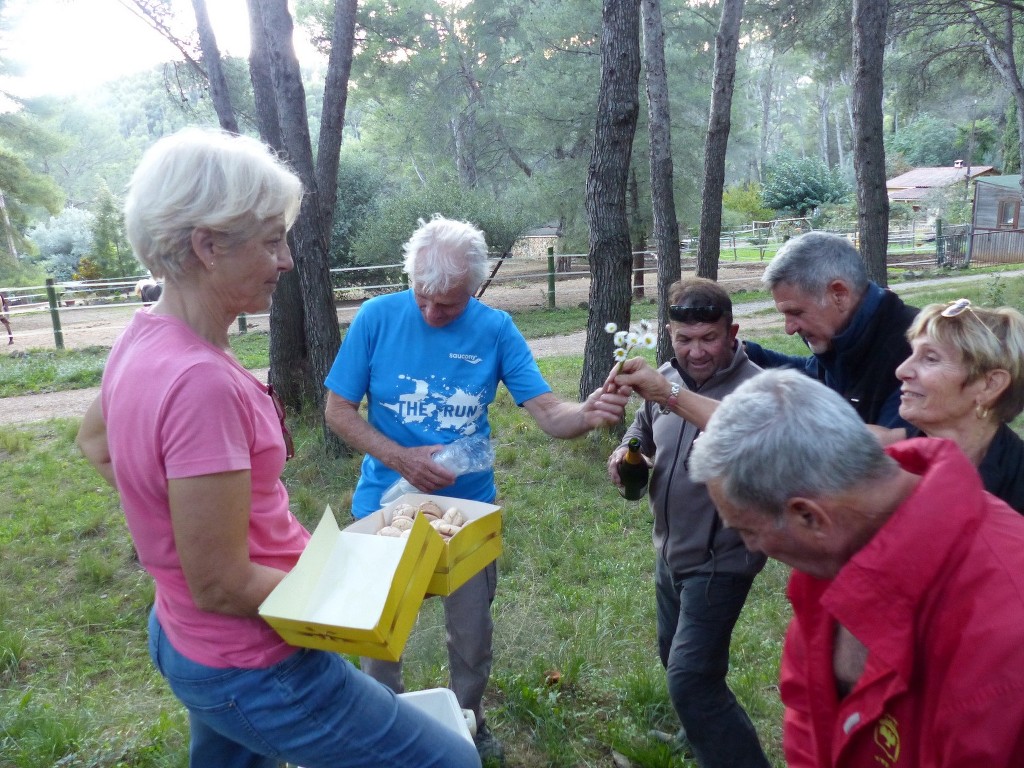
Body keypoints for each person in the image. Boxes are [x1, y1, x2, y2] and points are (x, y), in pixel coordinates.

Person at [75, 129, 481, 768]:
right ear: (208, 246)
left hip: (183, 637)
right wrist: (364, 593)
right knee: (447, 761)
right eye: (271, 241)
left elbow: (96, 443)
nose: (286, 260)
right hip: (255, 665)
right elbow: (219, 583)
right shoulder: (200, 382)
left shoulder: (145, 338)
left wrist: (177, 528)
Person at [324, 214, 629, 766]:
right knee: (378, 634)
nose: (432, 313)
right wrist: (398, 458)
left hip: (467, 515)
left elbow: (549, 412)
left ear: (476, 287)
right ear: (411, 278)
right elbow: (338, 410)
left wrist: (586, 414)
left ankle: (468, 719)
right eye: (423, 298)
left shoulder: (495, 329)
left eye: (449, 304)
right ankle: (381, 728)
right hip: (382, 509)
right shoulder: (375, 318)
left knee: (471, 634)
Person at [686, 368, 1024, 767]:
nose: (749, 546)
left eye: (747, 530)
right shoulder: (833, 562)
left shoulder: (1003, 639)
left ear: (809, 517)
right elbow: (808, 713)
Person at [605, 278, 769, 768]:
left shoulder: (756, 388)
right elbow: (644, 430)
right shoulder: (665, 378)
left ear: (733, 331)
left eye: (708, 339)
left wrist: (667, 391)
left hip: (723, 558)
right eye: (684, 339)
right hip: (670, 549)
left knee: (691, 677)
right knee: (674, 655)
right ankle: (697, 732)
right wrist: (624, 451)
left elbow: (741, 430)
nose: (695, 352)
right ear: (669, 336)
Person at [743, 231, 918, 427]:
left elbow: (890, 451)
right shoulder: (847, 334)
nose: (789, 329)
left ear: (839, 295)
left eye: (796, 312)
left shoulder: (914, 352)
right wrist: (748, 352)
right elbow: (814, 372)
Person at [882, 298, 1024, 512]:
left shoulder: (1017, 485)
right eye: (912, 353)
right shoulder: (887, 466)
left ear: (989, 385)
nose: (902, 371)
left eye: (930, 359)